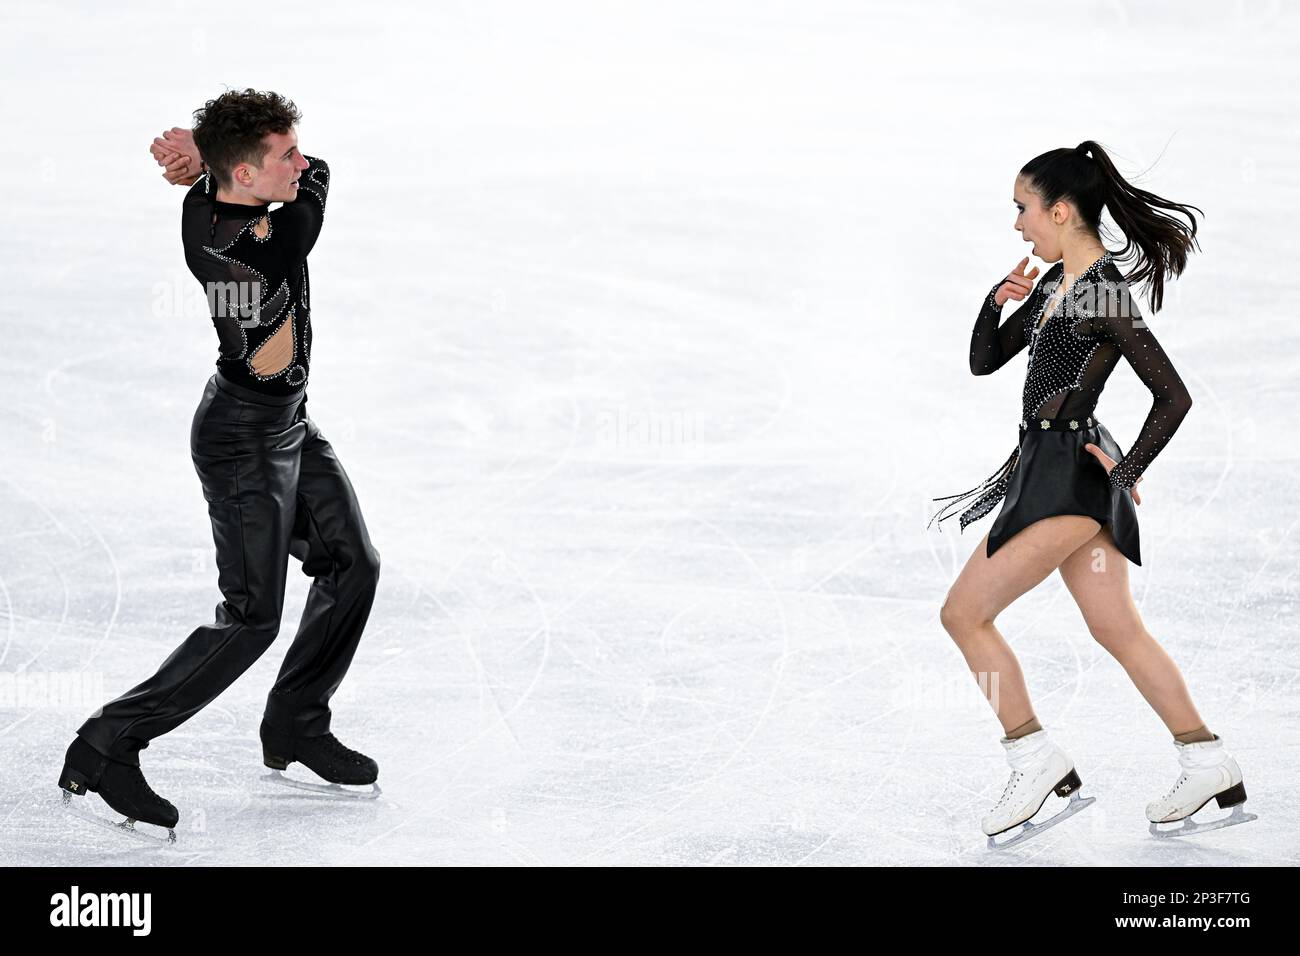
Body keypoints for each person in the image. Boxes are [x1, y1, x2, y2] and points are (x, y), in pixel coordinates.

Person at [58, 89, 381, 838]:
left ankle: (297, 723)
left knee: (351, 563)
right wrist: (209, 155)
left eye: (295, 149)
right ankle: (108, 742)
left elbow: (305, 169)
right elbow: (318, 191)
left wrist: (208, 156)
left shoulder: (218, 197)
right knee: (250, 620)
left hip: (287, 423)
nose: (302, 162)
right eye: (284, 156)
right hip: (242, 442)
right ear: (243, 175)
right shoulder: (249, 239)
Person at [929, 140, 1254, 847]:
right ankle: (1207, 759)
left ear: (1062, 210)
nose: (1018, 225)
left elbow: (1173, 397)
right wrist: (995, 302)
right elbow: (988, 360)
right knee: (1116, 629)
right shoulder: (1053, 285)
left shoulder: (1103, 290)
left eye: (1024, 210)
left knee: (963, 614)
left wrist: (1126, 471)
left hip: (1066, 481)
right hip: (1050, 466)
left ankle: (1033, 756)